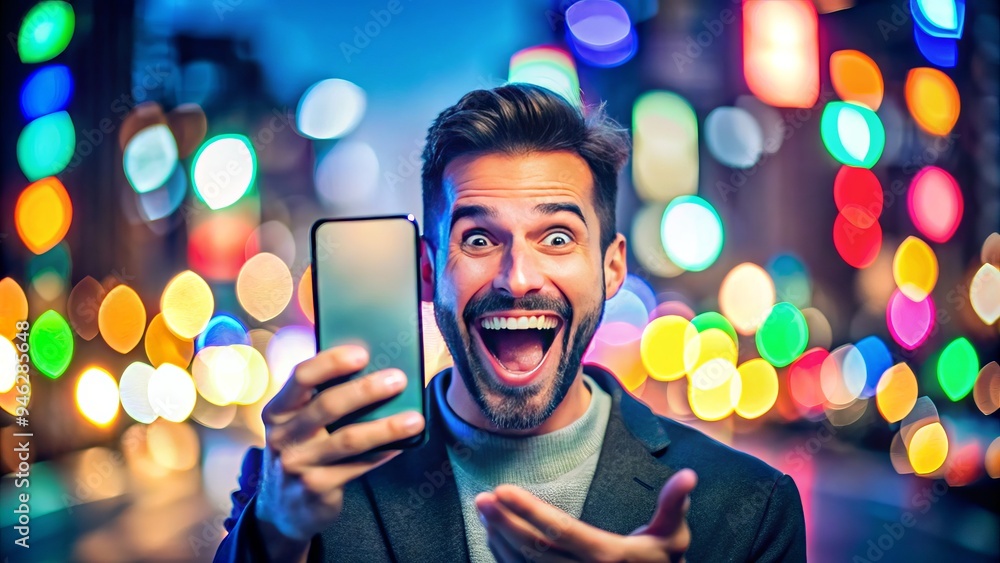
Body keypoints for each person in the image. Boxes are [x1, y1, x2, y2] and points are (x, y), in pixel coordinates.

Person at [214, 84, 806, 562]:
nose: (517, 278)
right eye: (478, 239)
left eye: (557, 237)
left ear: (611, 267)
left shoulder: (750, 506)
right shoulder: (302, 484)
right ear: (427, 272)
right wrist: (276, 534)